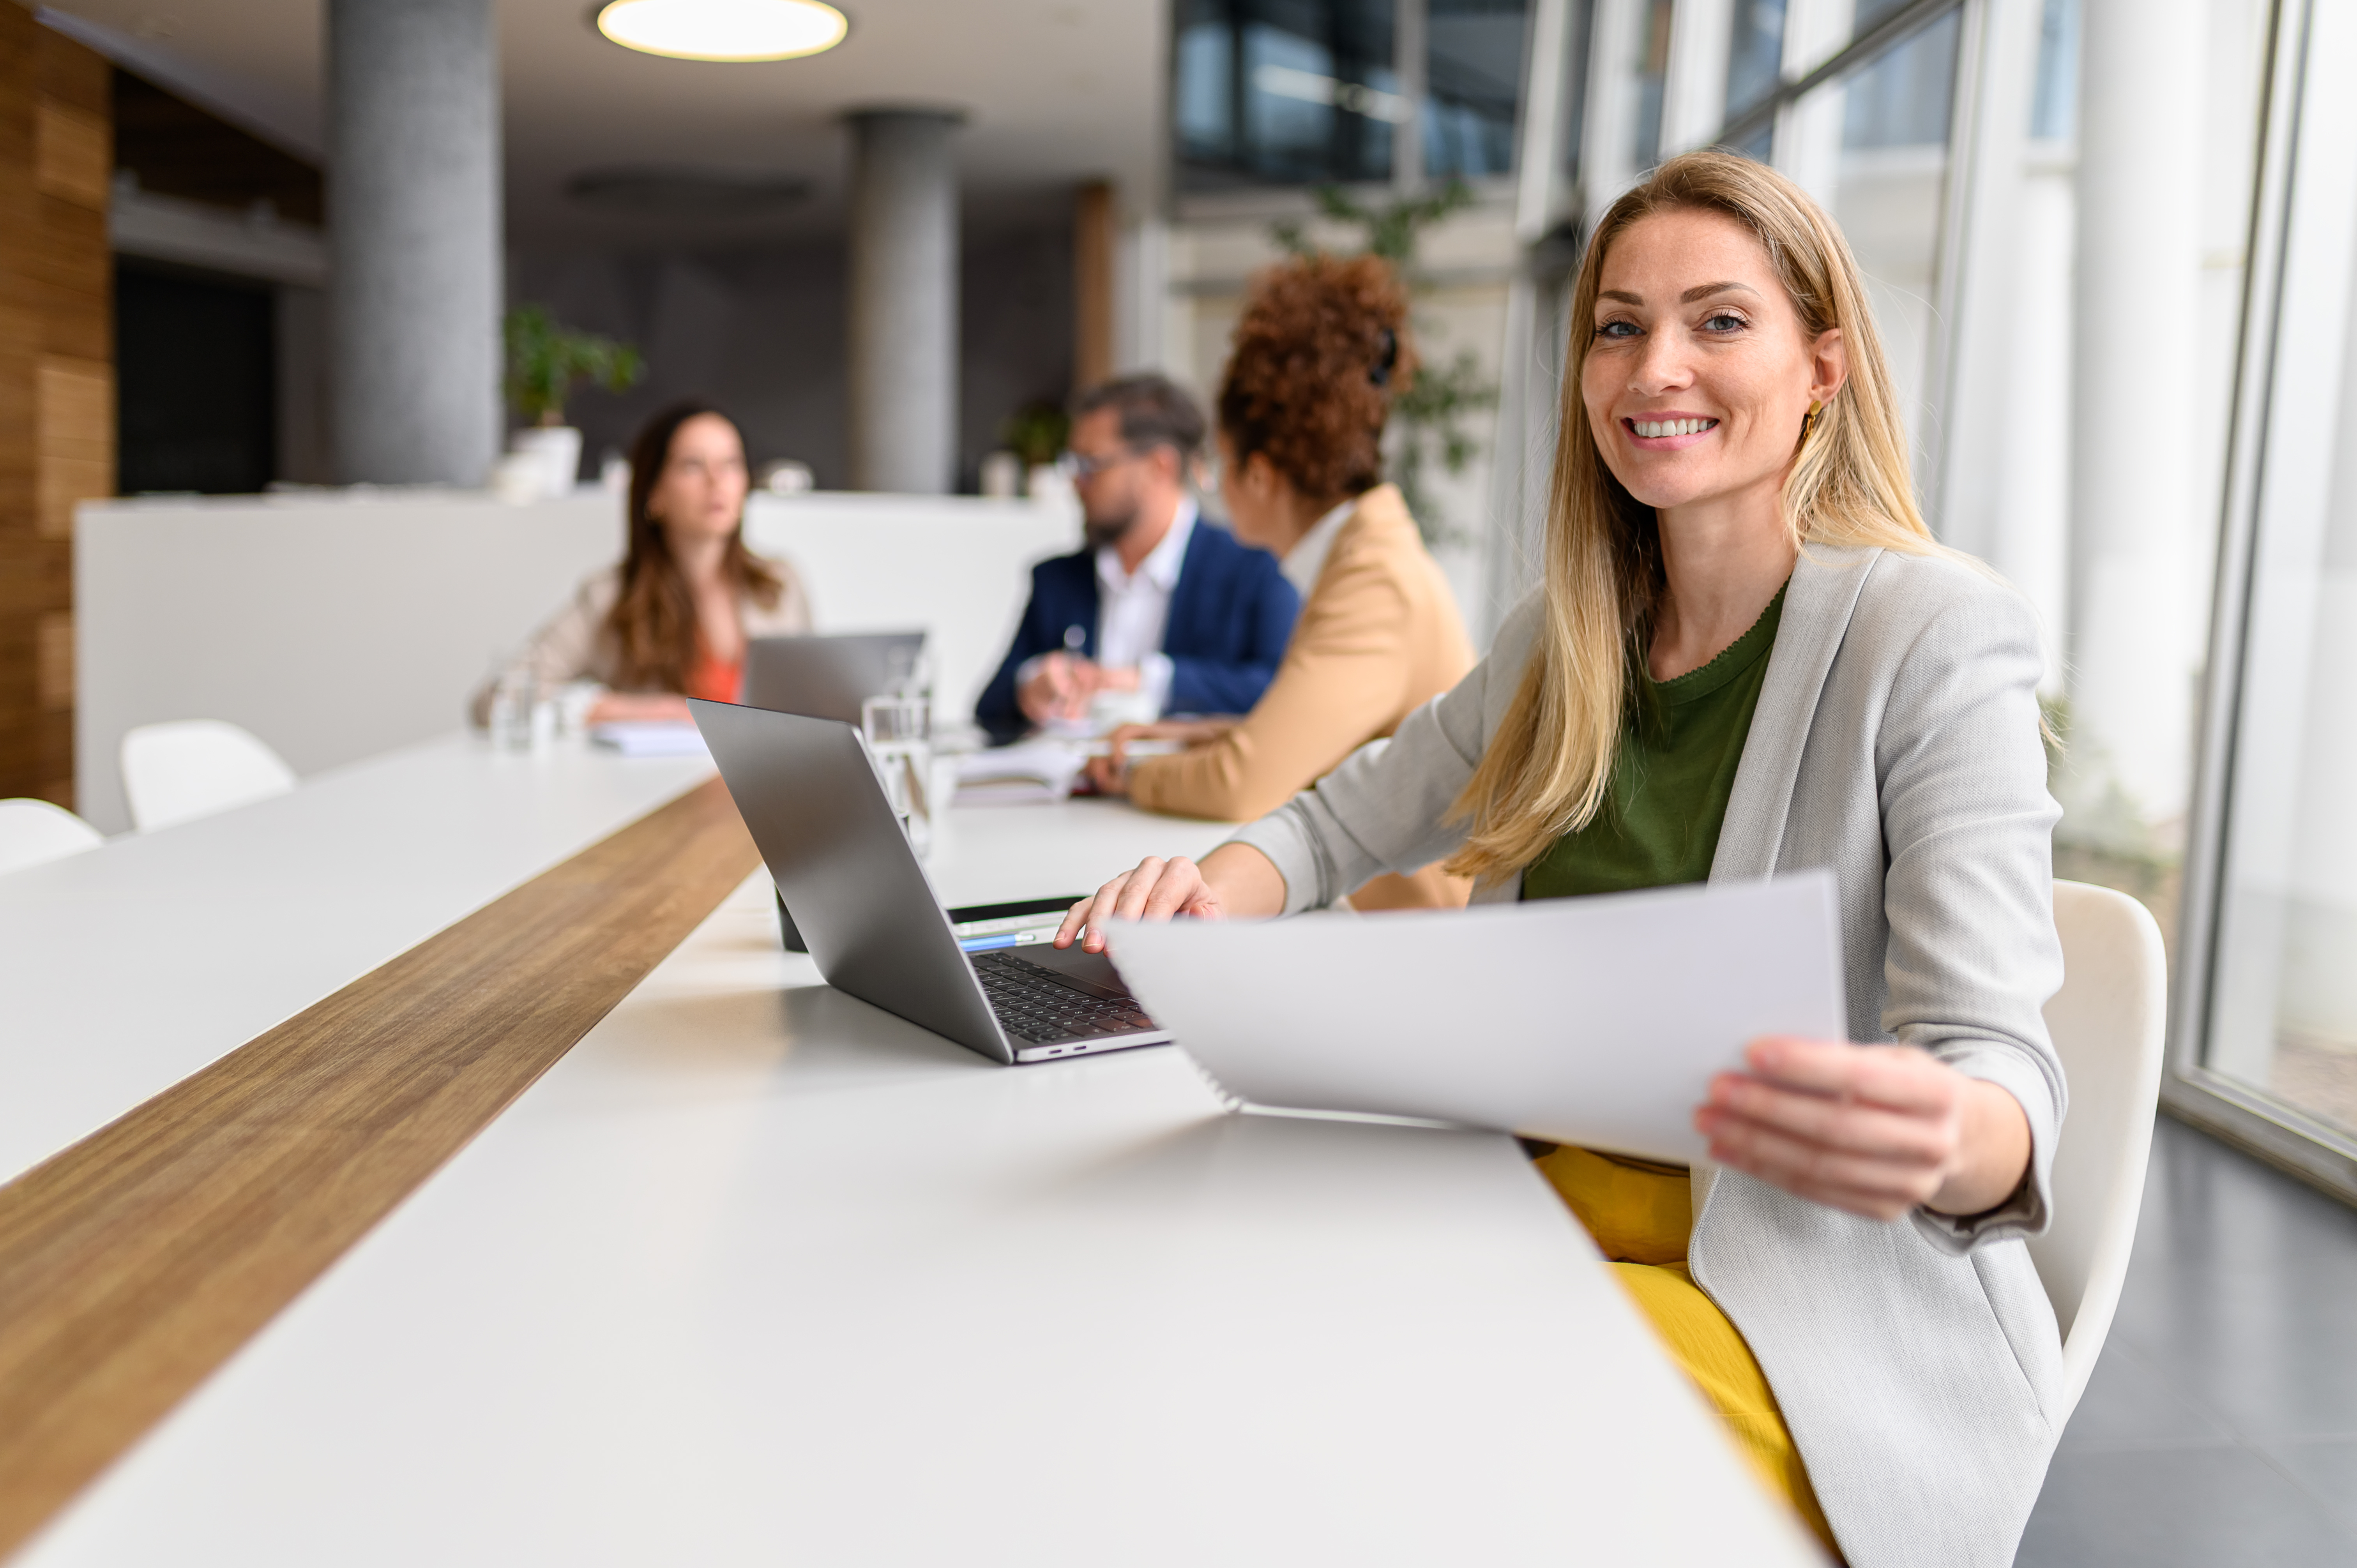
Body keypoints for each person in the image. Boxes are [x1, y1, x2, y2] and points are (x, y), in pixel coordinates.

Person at [1053, 150, 2065, 1568]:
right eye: (1615, 323)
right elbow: (1336, 820)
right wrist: (1204, 885)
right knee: (1198, 1343)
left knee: (1407, 1460)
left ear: (1819, 366)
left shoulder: (1932, 635)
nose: (1655, 366)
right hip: (1523, 1212)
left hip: (1783, 1283)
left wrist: (1947, 1133)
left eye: (1719, 320)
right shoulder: (1562, 635)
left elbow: (1996, 1065)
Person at [1083, 255, 1474, 911]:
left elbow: (1246, 781)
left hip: (1416, 940)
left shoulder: (1374, 580)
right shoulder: (1361, 554)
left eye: (1219, 465)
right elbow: (1316, 738)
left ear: (1259, 475)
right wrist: (1184, 738)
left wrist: (1127, 773)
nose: (1211, 487)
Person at [973, 376, 1299, 743]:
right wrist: (1030, 686)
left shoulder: (1254, 572)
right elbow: (988, 706)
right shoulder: (1057, 579)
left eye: (1091, 465)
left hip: (1180, 794)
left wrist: (1147, 681)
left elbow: (1283, 694)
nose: (1076, 482)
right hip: (1066, 794)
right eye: (1073, 464)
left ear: (1158, 468)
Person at [473, 402, 811, 727]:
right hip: (664, 783)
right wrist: (630, 711)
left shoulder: (780, 585)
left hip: (765, 782)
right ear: (654, 493)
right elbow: (496, 700)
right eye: (693, 465)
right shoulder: (611, 596)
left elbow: (814, 703)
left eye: (731, 464)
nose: (716, 481)